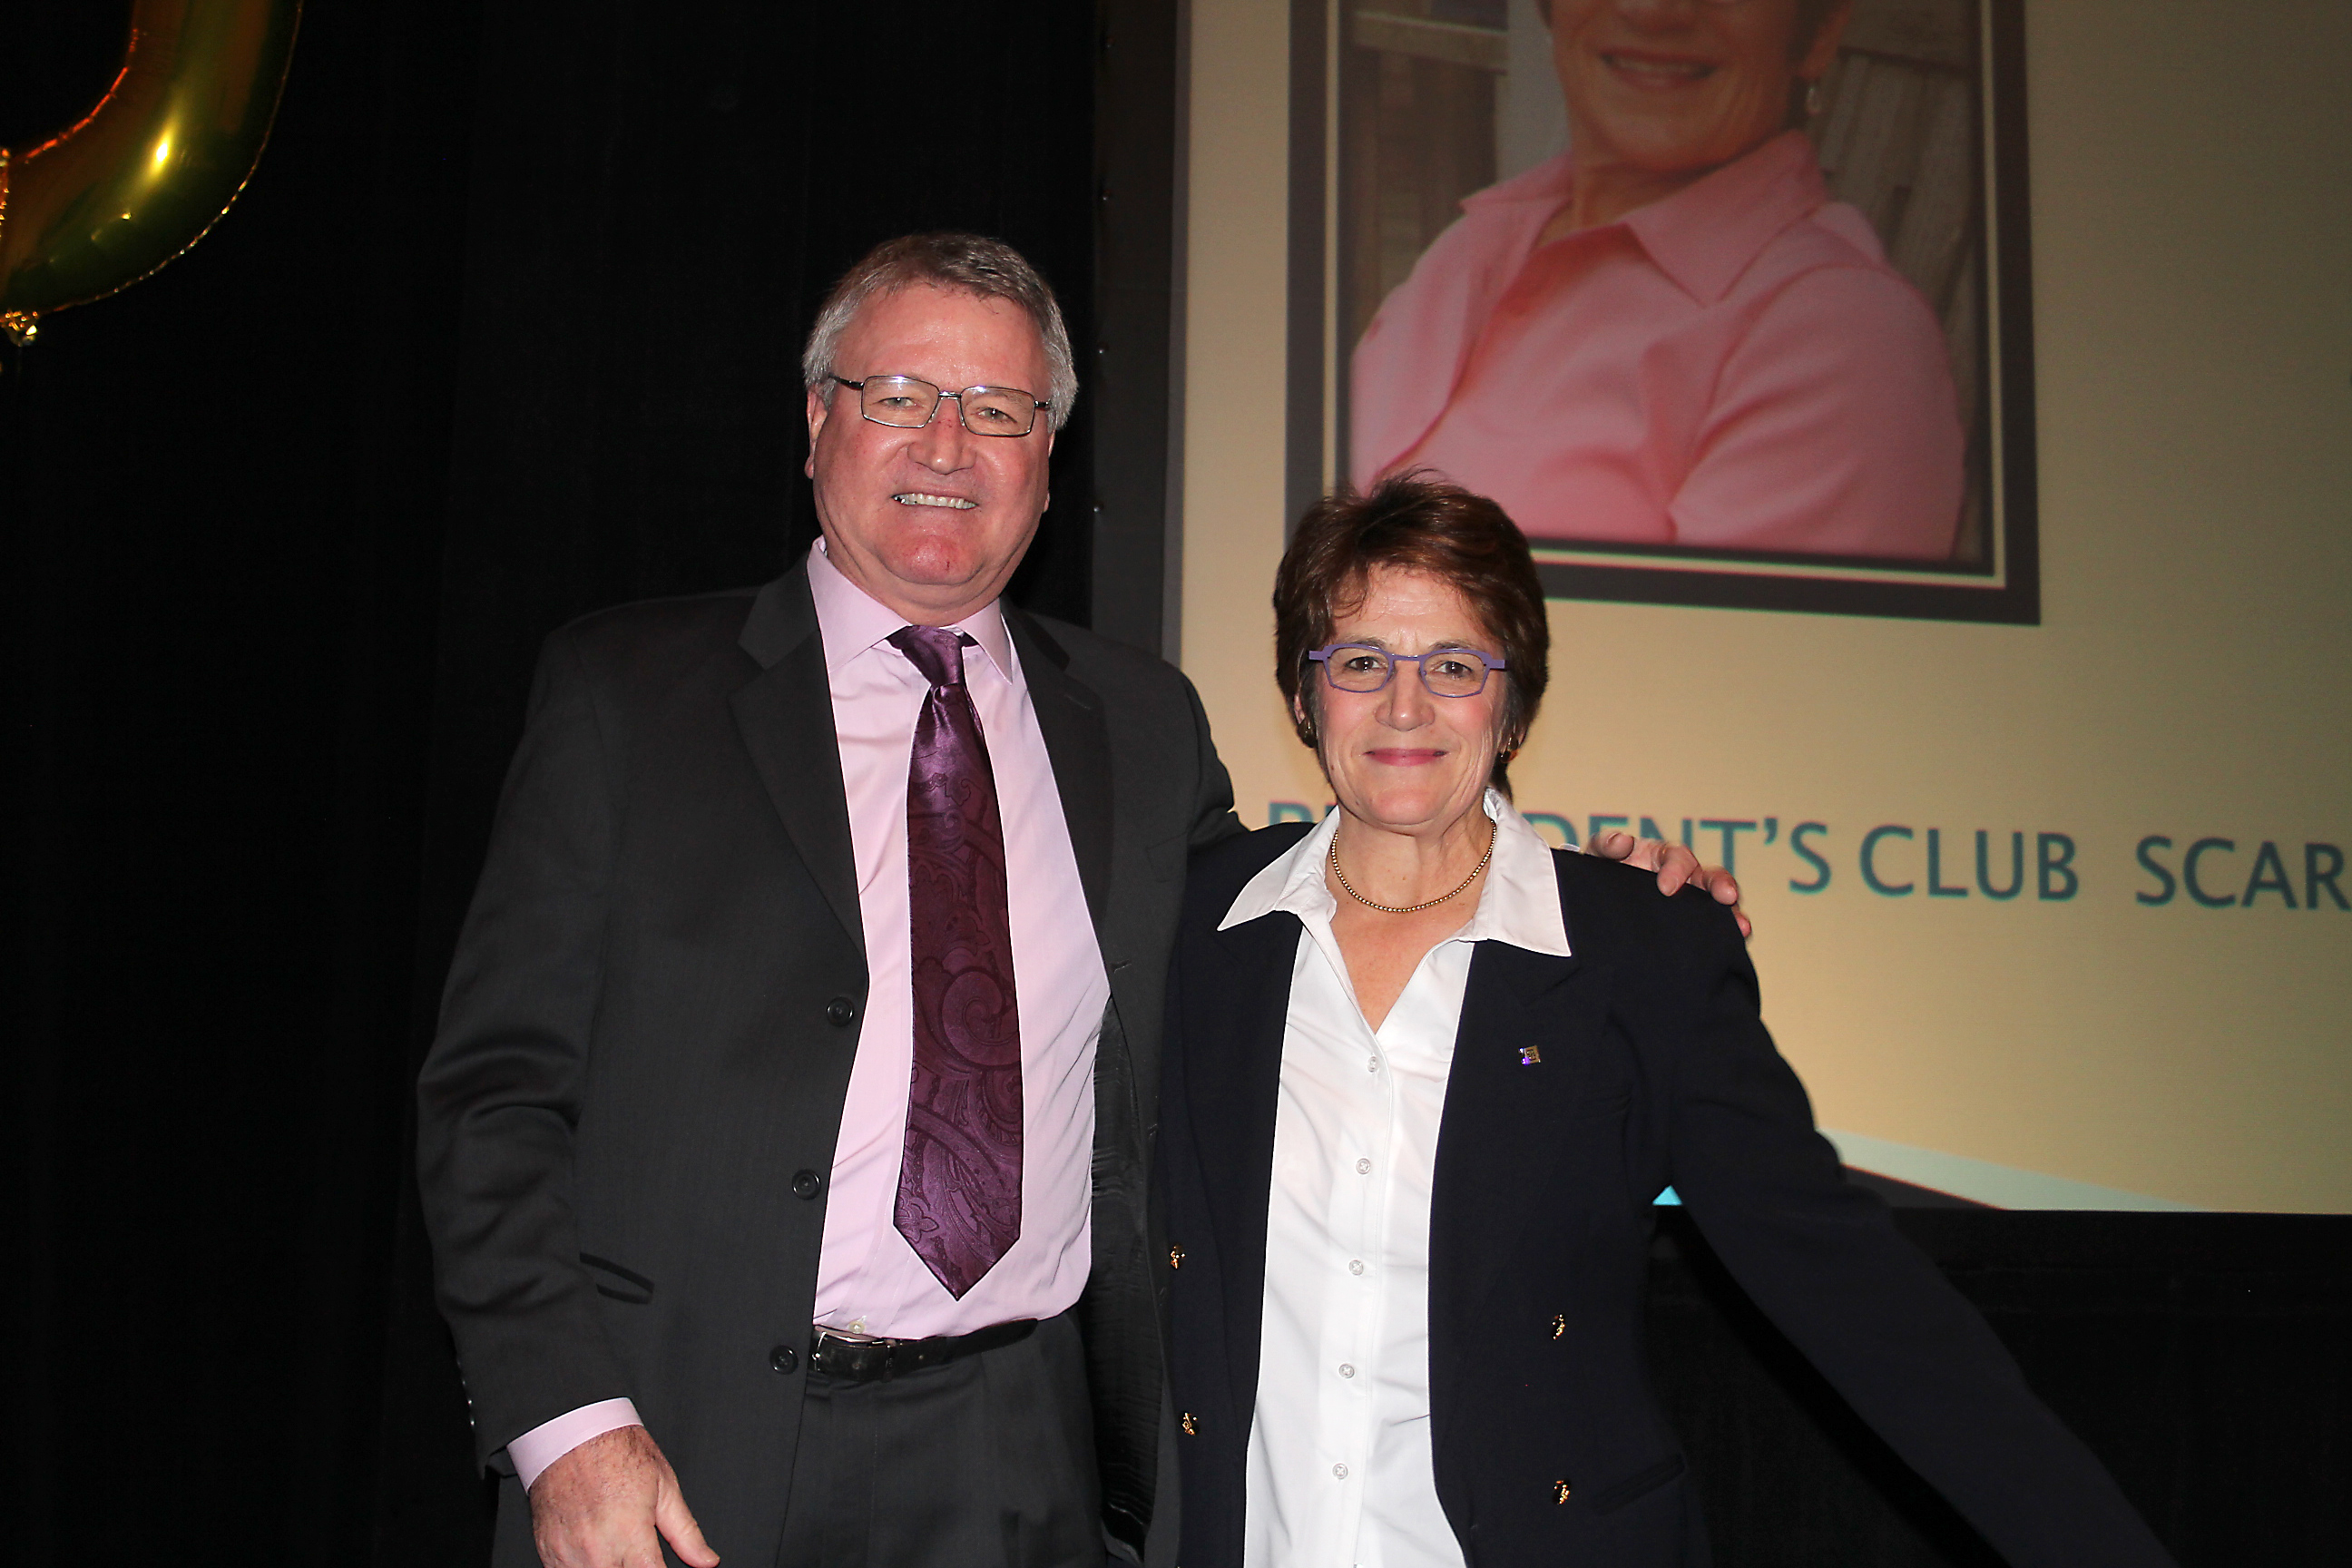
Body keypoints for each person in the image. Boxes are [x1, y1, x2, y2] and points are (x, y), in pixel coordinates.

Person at [416, 234, 1733, 1568]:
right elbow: (492, 1100)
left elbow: (1324, 900)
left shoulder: (1140, 727)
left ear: (1047, 461)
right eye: (899, 396)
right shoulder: (629, 699)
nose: (947, 445)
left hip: (1020, 1454)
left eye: (1000, 409)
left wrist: (1598, 903)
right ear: (817, 421)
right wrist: (566, 1425)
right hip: (676, 1446)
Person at [1157, 475, 2175, 1565]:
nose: (1405, 706)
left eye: (1455, 666)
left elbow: (1845, 1286)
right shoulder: (1188, 920)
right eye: (1361, 662)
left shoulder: (1640, 953)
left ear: (1514, 706)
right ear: (1303, 695)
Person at [1351, 0, 1965, 561]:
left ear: (1820, 29)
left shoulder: (1844, 344)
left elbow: (1731, 650)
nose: (1652, 10)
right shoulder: (1475, 245)